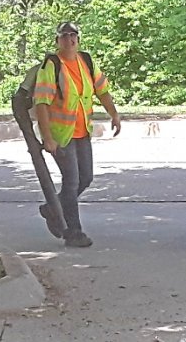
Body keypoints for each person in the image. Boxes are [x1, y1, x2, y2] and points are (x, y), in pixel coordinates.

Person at [33, 21, 121, 247]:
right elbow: (41, 103)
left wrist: (114, 114)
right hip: (61, 135)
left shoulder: (86, 61)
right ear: (57, 41)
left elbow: (102, 90)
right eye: (64, 36)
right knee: (71, 181)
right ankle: (73, 232)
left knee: (86, 178)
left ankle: (53, 207)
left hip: (82, 132)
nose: (69, 40)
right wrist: (47, 137)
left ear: (78, 39)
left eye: (73, 35)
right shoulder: (51, 65)